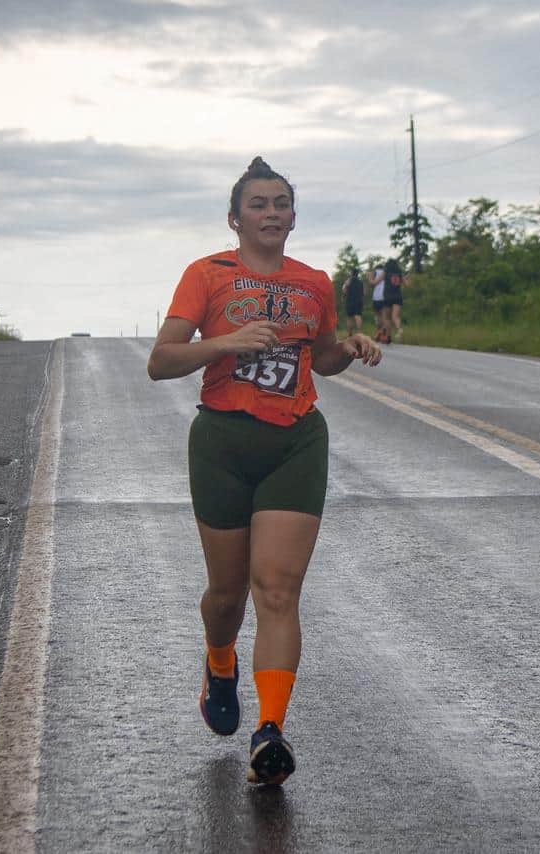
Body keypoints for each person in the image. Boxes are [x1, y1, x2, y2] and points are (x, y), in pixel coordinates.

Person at [147, 157, 382, 786]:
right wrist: (227, 342)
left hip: (295, 441)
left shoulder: (315, 283)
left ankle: (270, 731)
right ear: (235, 218)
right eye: (258, 204)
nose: (271, 212)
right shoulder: (206, 275)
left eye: (281, 203)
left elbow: (322, 357)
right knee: (227, 596)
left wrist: (349, 350)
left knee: (276, 589)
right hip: (222, 442)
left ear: (293, 217)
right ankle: (219, 660)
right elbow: (161, 361)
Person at [383, 258, 405, 342]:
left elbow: (375, 282)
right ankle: (399, 329)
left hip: (388, 297)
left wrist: (370, 278)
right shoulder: (399, 273)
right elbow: (407, 284)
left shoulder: (385, 272)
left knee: (387, 318)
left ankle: (388, 336)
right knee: (395, 316)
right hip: (398, 296)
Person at [342, 268, 364, 335]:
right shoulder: (360, 282)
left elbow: (344, 290)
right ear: (357, 274)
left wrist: (343, 297)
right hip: (359, 301)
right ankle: (359, 332)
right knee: (358, 316)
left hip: (350, 301)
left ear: (351, 273)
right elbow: (363, 293)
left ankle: (350, 333)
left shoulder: (348, 281)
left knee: (349, 317)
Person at [370, 263, 389, 343]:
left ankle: (378, 333)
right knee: (384, 317)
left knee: (377, 316)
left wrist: (369, 278)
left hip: (376, 297)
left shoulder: (374, 272)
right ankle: (384, 335)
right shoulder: (386, 272)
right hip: (384, 296)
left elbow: (372, 283)